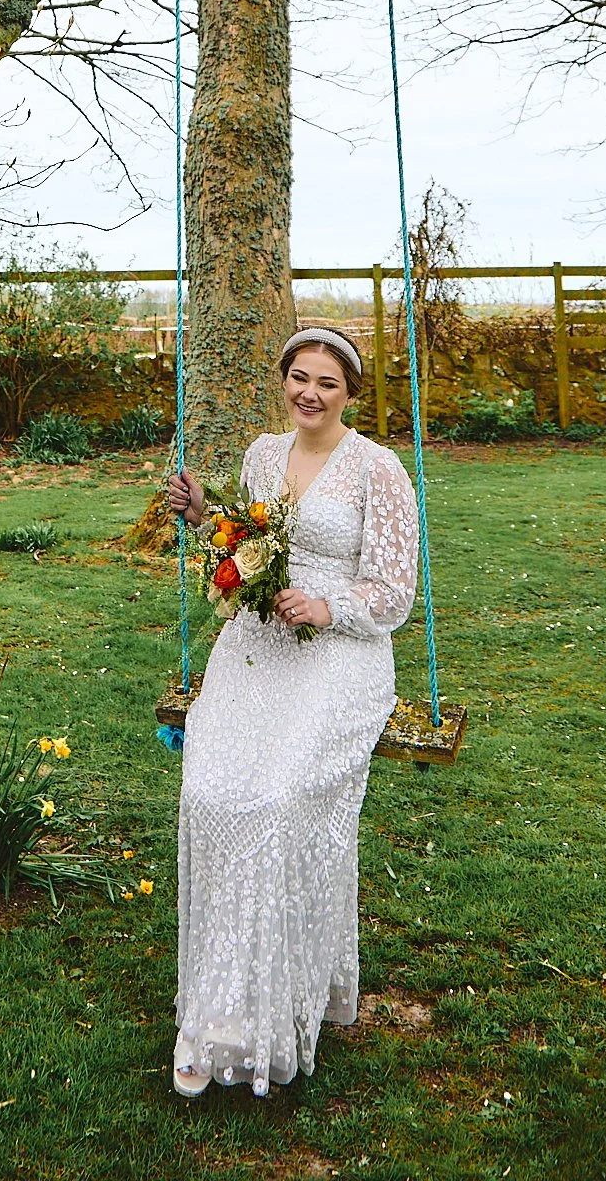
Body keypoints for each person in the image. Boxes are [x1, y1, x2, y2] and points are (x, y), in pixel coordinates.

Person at [165, 326, 419, 1097]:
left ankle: (268, 1011)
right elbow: (248, 540)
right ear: (284, 381)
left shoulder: (378, 470)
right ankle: (214, 1006)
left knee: (274, 802)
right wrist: (205, 513)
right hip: (254, 644)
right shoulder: (262, 453)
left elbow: (394, 593)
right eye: (298, 378)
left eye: (327, 384)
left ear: (349, 393)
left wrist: (325, 604)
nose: (309, 393)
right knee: (209, 796)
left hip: (339, 656)